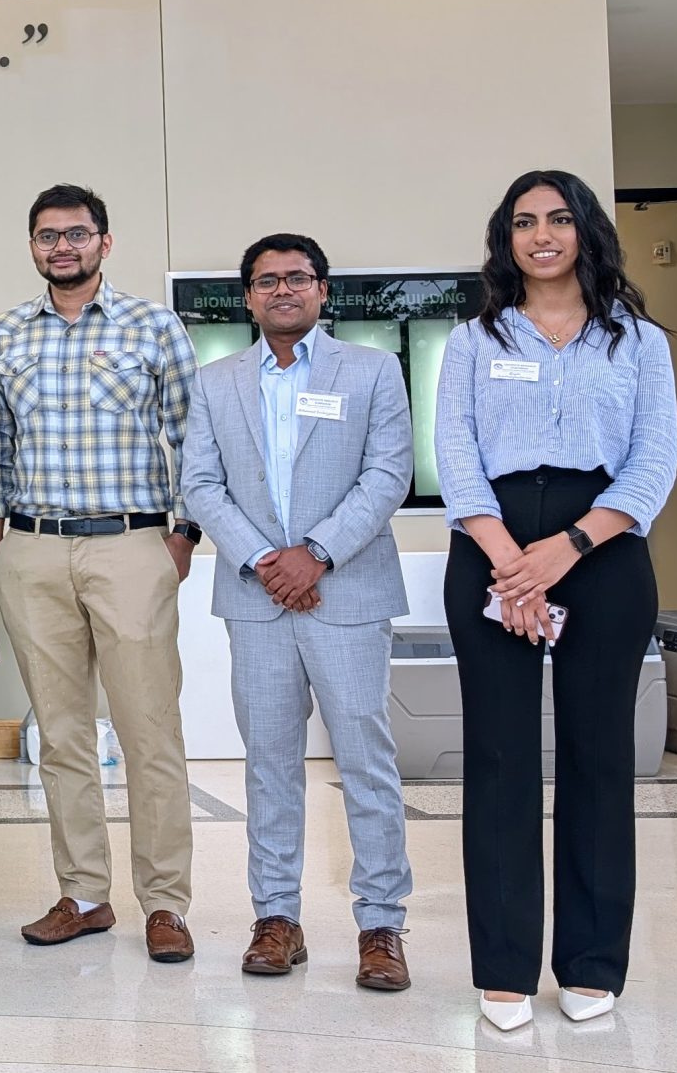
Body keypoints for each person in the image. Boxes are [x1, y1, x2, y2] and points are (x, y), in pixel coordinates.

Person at [434, 170, 677, 1032]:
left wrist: (567, 548)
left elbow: (654, 462)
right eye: (524, 221)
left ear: (586, 232)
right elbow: (456, 454)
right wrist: (511, 564)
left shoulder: (639, 341)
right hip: (492, 545)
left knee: (598, 759)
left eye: (559, 219)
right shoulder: (473, 338)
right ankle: (503, 968)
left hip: (603, 549)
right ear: (506, 238)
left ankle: (590, 961)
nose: (542, 234)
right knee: (498, 761)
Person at [0, 182, 203, 963]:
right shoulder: (7, 335)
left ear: (105, 241)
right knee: (62, 735)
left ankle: (165, 902)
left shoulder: (152, 326)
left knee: (149, 732)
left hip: (132, 548)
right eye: (47, 235)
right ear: (32, 246)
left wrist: (184, 533)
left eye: (76, 233)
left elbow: (191, 436)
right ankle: (83, 893)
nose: (61, 247)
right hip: (32, 552)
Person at [179, 234, 415, 992]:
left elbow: (389, 472)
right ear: (248, 296)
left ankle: (382, 924)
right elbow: (202, 484)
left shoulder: (373, 370)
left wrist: (316, 552)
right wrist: (265, 560)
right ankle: (276, 917)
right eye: (266, 280)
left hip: (346, 593)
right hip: (256, 598)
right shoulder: (215, 382)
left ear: (322, 289)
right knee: (269, 765)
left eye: (296, 277)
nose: (282, 289)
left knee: (365, 762)